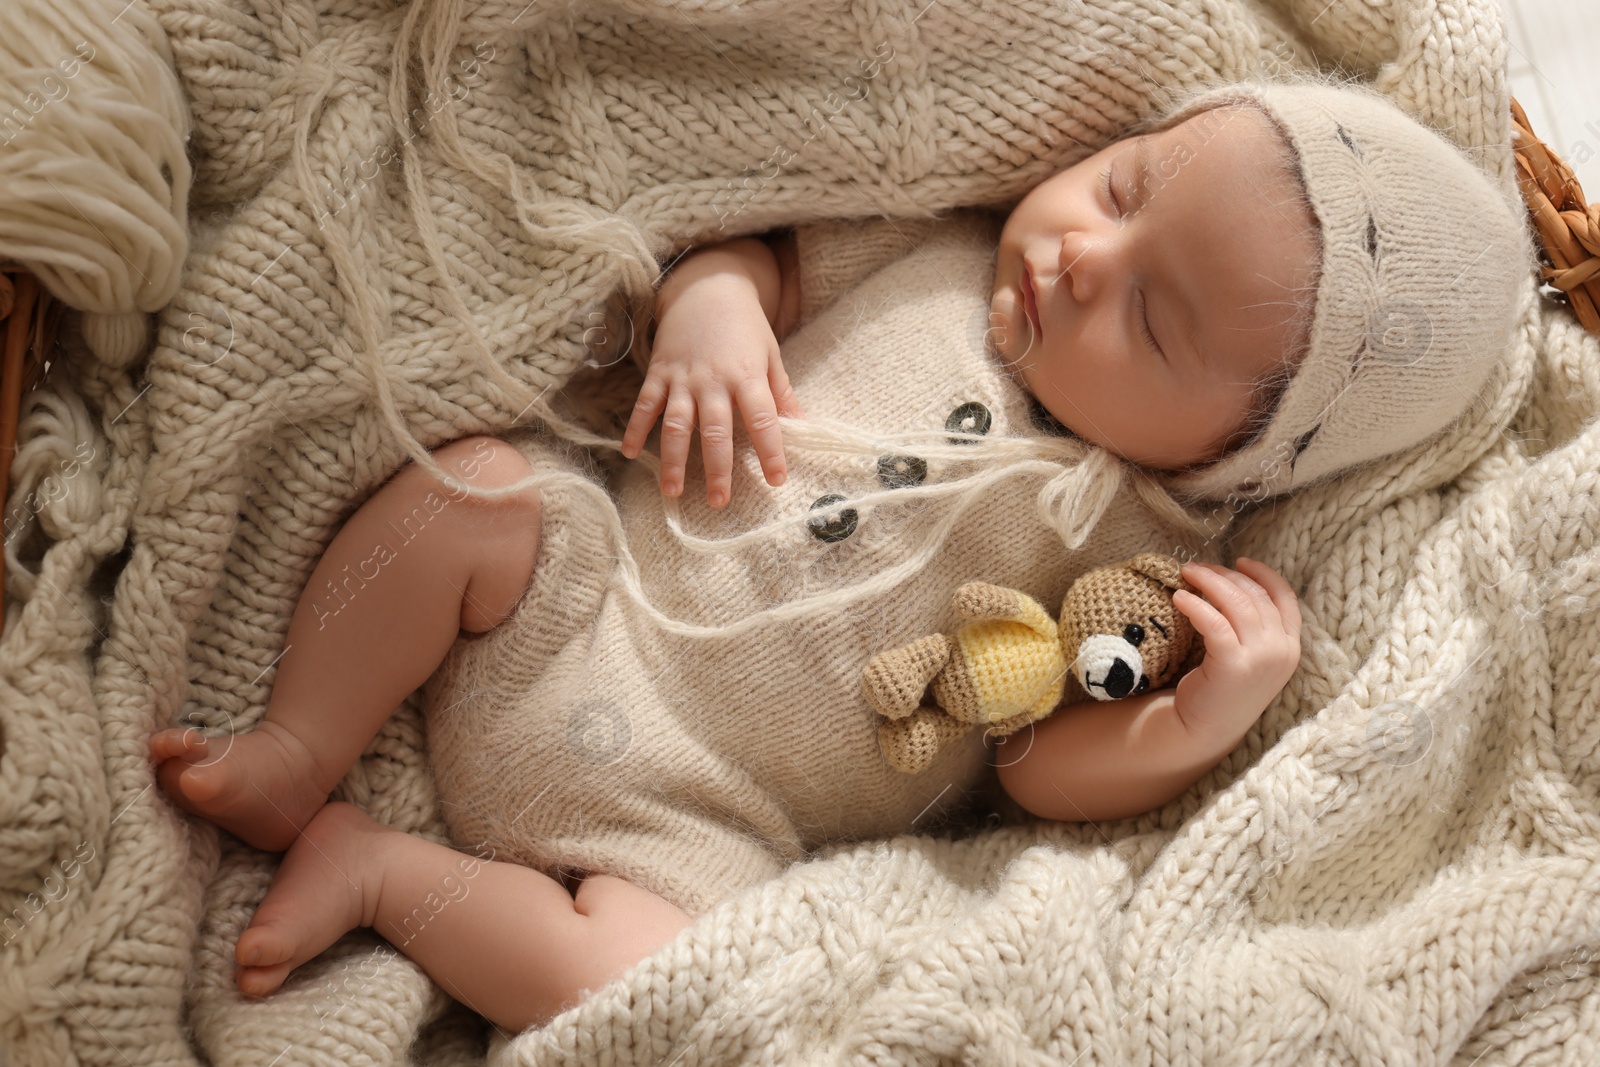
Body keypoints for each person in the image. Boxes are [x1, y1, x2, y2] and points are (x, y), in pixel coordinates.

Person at [146, 77, 1530, 1033]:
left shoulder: (1147, 556)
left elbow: (1044, 763)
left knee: (654, 977)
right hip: (579, 591)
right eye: (1120, 187)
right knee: (474, 494)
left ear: (1233, 456)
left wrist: (1190, 721)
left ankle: (390, 876)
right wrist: (713, 306)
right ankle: (298, 742)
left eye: (1156, 326)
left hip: (700, 820)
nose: (1085, 260)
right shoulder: (932, 249)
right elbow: (751, 258)